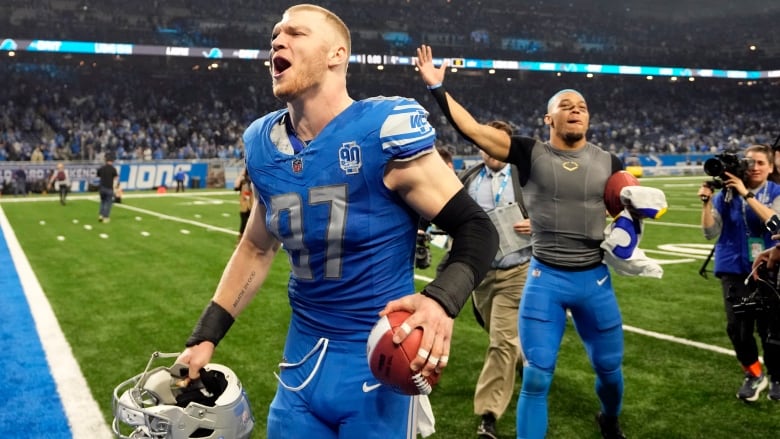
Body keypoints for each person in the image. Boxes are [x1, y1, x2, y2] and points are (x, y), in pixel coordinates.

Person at [176, 6, 498, 439]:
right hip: (301, 363)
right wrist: (205, 335)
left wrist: (441, 301)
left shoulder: (382, 130)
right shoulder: (262, 145)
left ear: (336, 54)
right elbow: (256, 247)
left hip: (378, 362)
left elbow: (478, 229)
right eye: (275, 34)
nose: (277, 40)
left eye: (295, 32)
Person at [416, 44, 628, 439]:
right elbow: (475, 131)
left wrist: (631, 229)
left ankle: (609, 417)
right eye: (566, 104)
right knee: (536, 377)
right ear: (549, 117)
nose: (575, 108)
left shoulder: (610, 162)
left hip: (594, 282)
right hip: (543, 280)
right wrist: (437, 89)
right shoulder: (531, 152)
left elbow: (630, 212)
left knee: (610, 372)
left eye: (581, 104)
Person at [460, 120, 531, 439]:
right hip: (482, 274)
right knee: (500, 334)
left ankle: (488, 415)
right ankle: (523, 360)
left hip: (518, 270)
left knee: (500, 341)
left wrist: (537, 224)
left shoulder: (526, 177)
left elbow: (554, 210)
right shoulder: (469, 178)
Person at [699, 144, 780, 402]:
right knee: (738, 328)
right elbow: (710, 232)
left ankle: (777, 376)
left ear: (770, 168)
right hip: (735, 269)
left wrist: (747, 194)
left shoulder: (776, 192)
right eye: (750, 162)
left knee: (770, 329)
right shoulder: (727, 195)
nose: (754, 167)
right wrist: (707, 203)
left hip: (769, 268)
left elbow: (775, 221)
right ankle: (754, 374)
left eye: (760, 163)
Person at [234, 167, 254, 244]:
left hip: (252, 207)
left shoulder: (254, 181)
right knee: (243, 223)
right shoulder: (243, 182)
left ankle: (250, 241)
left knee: (252, 225)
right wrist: (241, 175)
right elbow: (236, 187)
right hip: (244, 206)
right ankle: (240, 240)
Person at [97, 153, 118, 223]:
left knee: (102, 202)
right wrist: (115, 188)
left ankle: (100, 215)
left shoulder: (101, 168)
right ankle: (106, 217)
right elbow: (115, 178)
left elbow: (98, 175)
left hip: (102, 187)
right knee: (108, 203)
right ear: (112, 161)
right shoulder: (113, 169)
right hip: (109, 188)